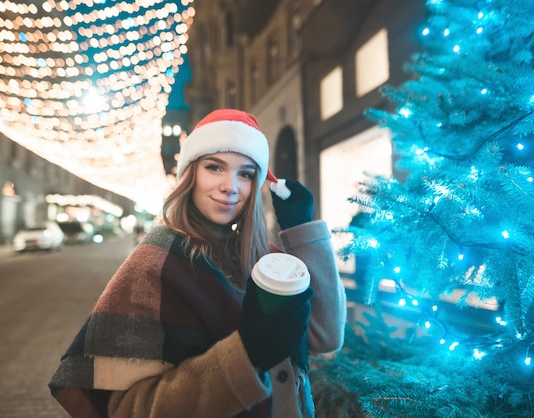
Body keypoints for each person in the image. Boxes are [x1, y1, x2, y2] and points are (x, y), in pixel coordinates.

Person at [49, 109, 346, 418]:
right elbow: (127, 410)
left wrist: (303, 230)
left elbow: (325, 336)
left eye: (245, 173)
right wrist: (247, 356)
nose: (230, 185)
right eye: (215, 167)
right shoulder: (157, 260)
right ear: (190, 173)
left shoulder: (262, 256)